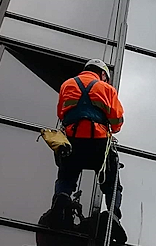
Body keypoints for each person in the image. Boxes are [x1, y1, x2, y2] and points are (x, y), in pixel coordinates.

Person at [51, 59, 125, 226]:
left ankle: (62, 197)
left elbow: (61, 113)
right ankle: (113, 214)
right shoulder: (107, 89)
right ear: (103, 74)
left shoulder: (67, 85)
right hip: (98, 141)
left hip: (72, 140)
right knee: (112, 181)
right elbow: (117, 122)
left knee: (66, 176)